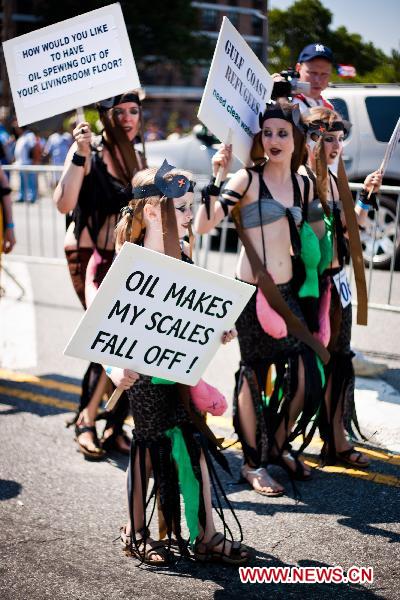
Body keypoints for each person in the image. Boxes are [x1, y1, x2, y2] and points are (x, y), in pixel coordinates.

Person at [108, 163, 252, 566]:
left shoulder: (184, 253)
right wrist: (114, 370)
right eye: (184, 208)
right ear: (153, 211)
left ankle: (203, 534)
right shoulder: (129, 261)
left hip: (176, 373)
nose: (191, 216)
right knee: (148, 450)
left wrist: (217, 331)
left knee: (191, 448)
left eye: (191, 207)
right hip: (142, 377)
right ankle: (136, 532)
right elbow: (102, 330)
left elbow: (189, 317)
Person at [195, 101, 328, 497]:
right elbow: (203, 225)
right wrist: (216, 176)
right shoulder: (246, 180)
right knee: (254, 373)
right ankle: (253, 464)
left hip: (289, 293)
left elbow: (322, 235)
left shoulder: (304, 184)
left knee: (303, 375)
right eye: (266, 133)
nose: (273, 140)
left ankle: (277, 445)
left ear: (296, 139)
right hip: (253, 295)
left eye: (281, 133)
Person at [54, 91, 147, 459]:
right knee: (108, 339)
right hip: (89, 256)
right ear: (105, 115)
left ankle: (114, 423)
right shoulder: (87, 150)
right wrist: (79, 151)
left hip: (125, 259)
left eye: (133, 111)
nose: (126, 118)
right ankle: (87, 421)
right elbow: (63, 202)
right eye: (118, 111)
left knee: (132, 338)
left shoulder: (137, 156)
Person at [301, 106, 383, 467]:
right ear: (310, 139)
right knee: (305, 368)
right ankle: (271, 448)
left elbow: (351, 230)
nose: (335, 146)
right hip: (308, 288)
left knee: (339, 362)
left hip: (337, 285)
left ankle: (334, 438)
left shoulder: (334, 181)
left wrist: (365, 196)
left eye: (338, 140)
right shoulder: (301, 179)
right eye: (326, 138)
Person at [13, 125, 40, 203]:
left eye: (17, 128)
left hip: (28, 163)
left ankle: (32, 197)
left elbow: (34, 147)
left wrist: (34, 161)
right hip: (21, 164)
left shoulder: (29, 135)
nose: (16, 130)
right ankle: (22, 196)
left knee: (31, 181)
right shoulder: (22, 136)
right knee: (22, 182)